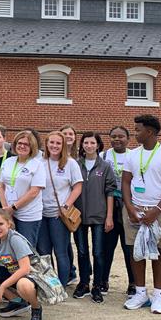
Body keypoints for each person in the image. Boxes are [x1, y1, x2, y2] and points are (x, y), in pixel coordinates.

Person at [122, 115, 161, 314]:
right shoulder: (132, 155)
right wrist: (130, 207)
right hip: (135, 209)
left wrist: (156, 211)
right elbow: (125, 182)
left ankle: (157, 295)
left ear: (149, 132)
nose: (135, 133)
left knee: (159, 252)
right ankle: (140, 293)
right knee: (136, 251)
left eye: (138, 129)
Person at [0, 208, 43, 320]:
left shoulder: (15, 239)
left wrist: (3, 286)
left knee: (23, 284)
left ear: (9, 224)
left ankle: (36, 308)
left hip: (30, 275)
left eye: (1, 224)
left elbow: (25, 269)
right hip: (11, 271)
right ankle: (17, 302)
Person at [72, 133, 114, 303]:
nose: (89, 146)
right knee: (82, 252)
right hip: (79, 216)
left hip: (99, 215)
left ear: (98, 145)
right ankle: (84, 283)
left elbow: (110, 191)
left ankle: (97, 285)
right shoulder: (75, 165)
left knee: (98, 252)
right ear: (82, 145)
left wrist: (109, 216)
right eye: (85, 143)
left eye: (92, 143)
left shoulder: (105, 166)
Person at [37, 131, 83, 287]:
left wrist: (66, 205)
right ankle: (48, 285)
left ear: (63, 145)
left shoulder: (70, 163)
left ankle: (61, 285)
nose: (54, 146)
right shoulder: (40, 162)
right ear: (47, 144)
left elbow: (77, 187)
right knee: (44, 253)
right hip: (41, 213)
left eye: (58, 143)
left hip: (59, 214)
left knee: (61, 252)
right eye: (52, 143)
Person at [100, 126, 135, 296]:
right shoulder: (104, 156)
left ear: (128, 139)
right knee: (107, 247)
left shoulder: (134, 155)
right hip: (110, 206)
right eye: (113, 136)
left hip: (129, 205)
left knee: (129, 247)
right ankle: (103, 280)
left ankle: (133, 282)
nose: (117, 139)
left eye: (121, 136)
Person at [0, 131, 45, 247]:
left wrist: (13, 207)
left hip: (28, 215)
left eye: (27, 144)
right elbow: (1, 186)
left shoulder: (37, 165)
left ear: (32, 147)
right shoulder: (8, 162)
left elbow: (34, 192)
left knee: (25, 249)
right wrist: (5, 208)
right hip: (9, 214)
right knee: (10, 249)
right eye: (19, 143)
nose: (22, 146)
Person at [60, 123, 80, 285]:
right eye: (65, 133)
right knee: (64, 241)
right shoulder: (54, 156)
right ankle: (70, 271)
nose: (68, 136)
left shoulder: (79, 157)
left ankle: (72, 272)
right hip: (64, 205)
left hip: (78, 203)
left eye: (71, 134)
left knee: (74, 241)